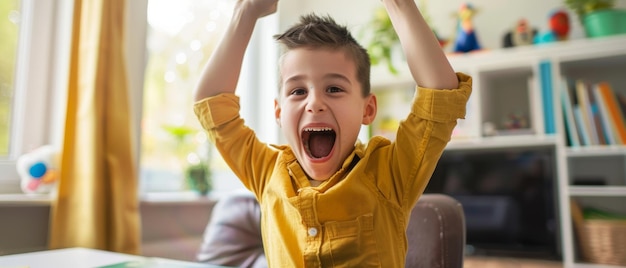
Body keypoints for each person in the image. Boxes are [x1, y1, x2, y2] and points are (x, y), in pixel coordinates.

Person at [193, 0, 472, 266]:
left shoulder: (390, 174)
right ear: (278, 113)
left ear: (368, 109)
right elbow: (213, 106)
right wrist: (246, 12)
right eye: (298, 91)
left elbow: (440, 96)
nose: (314, 103)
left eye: (334, 89)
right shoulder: (267, 172)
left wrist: (399, 3)